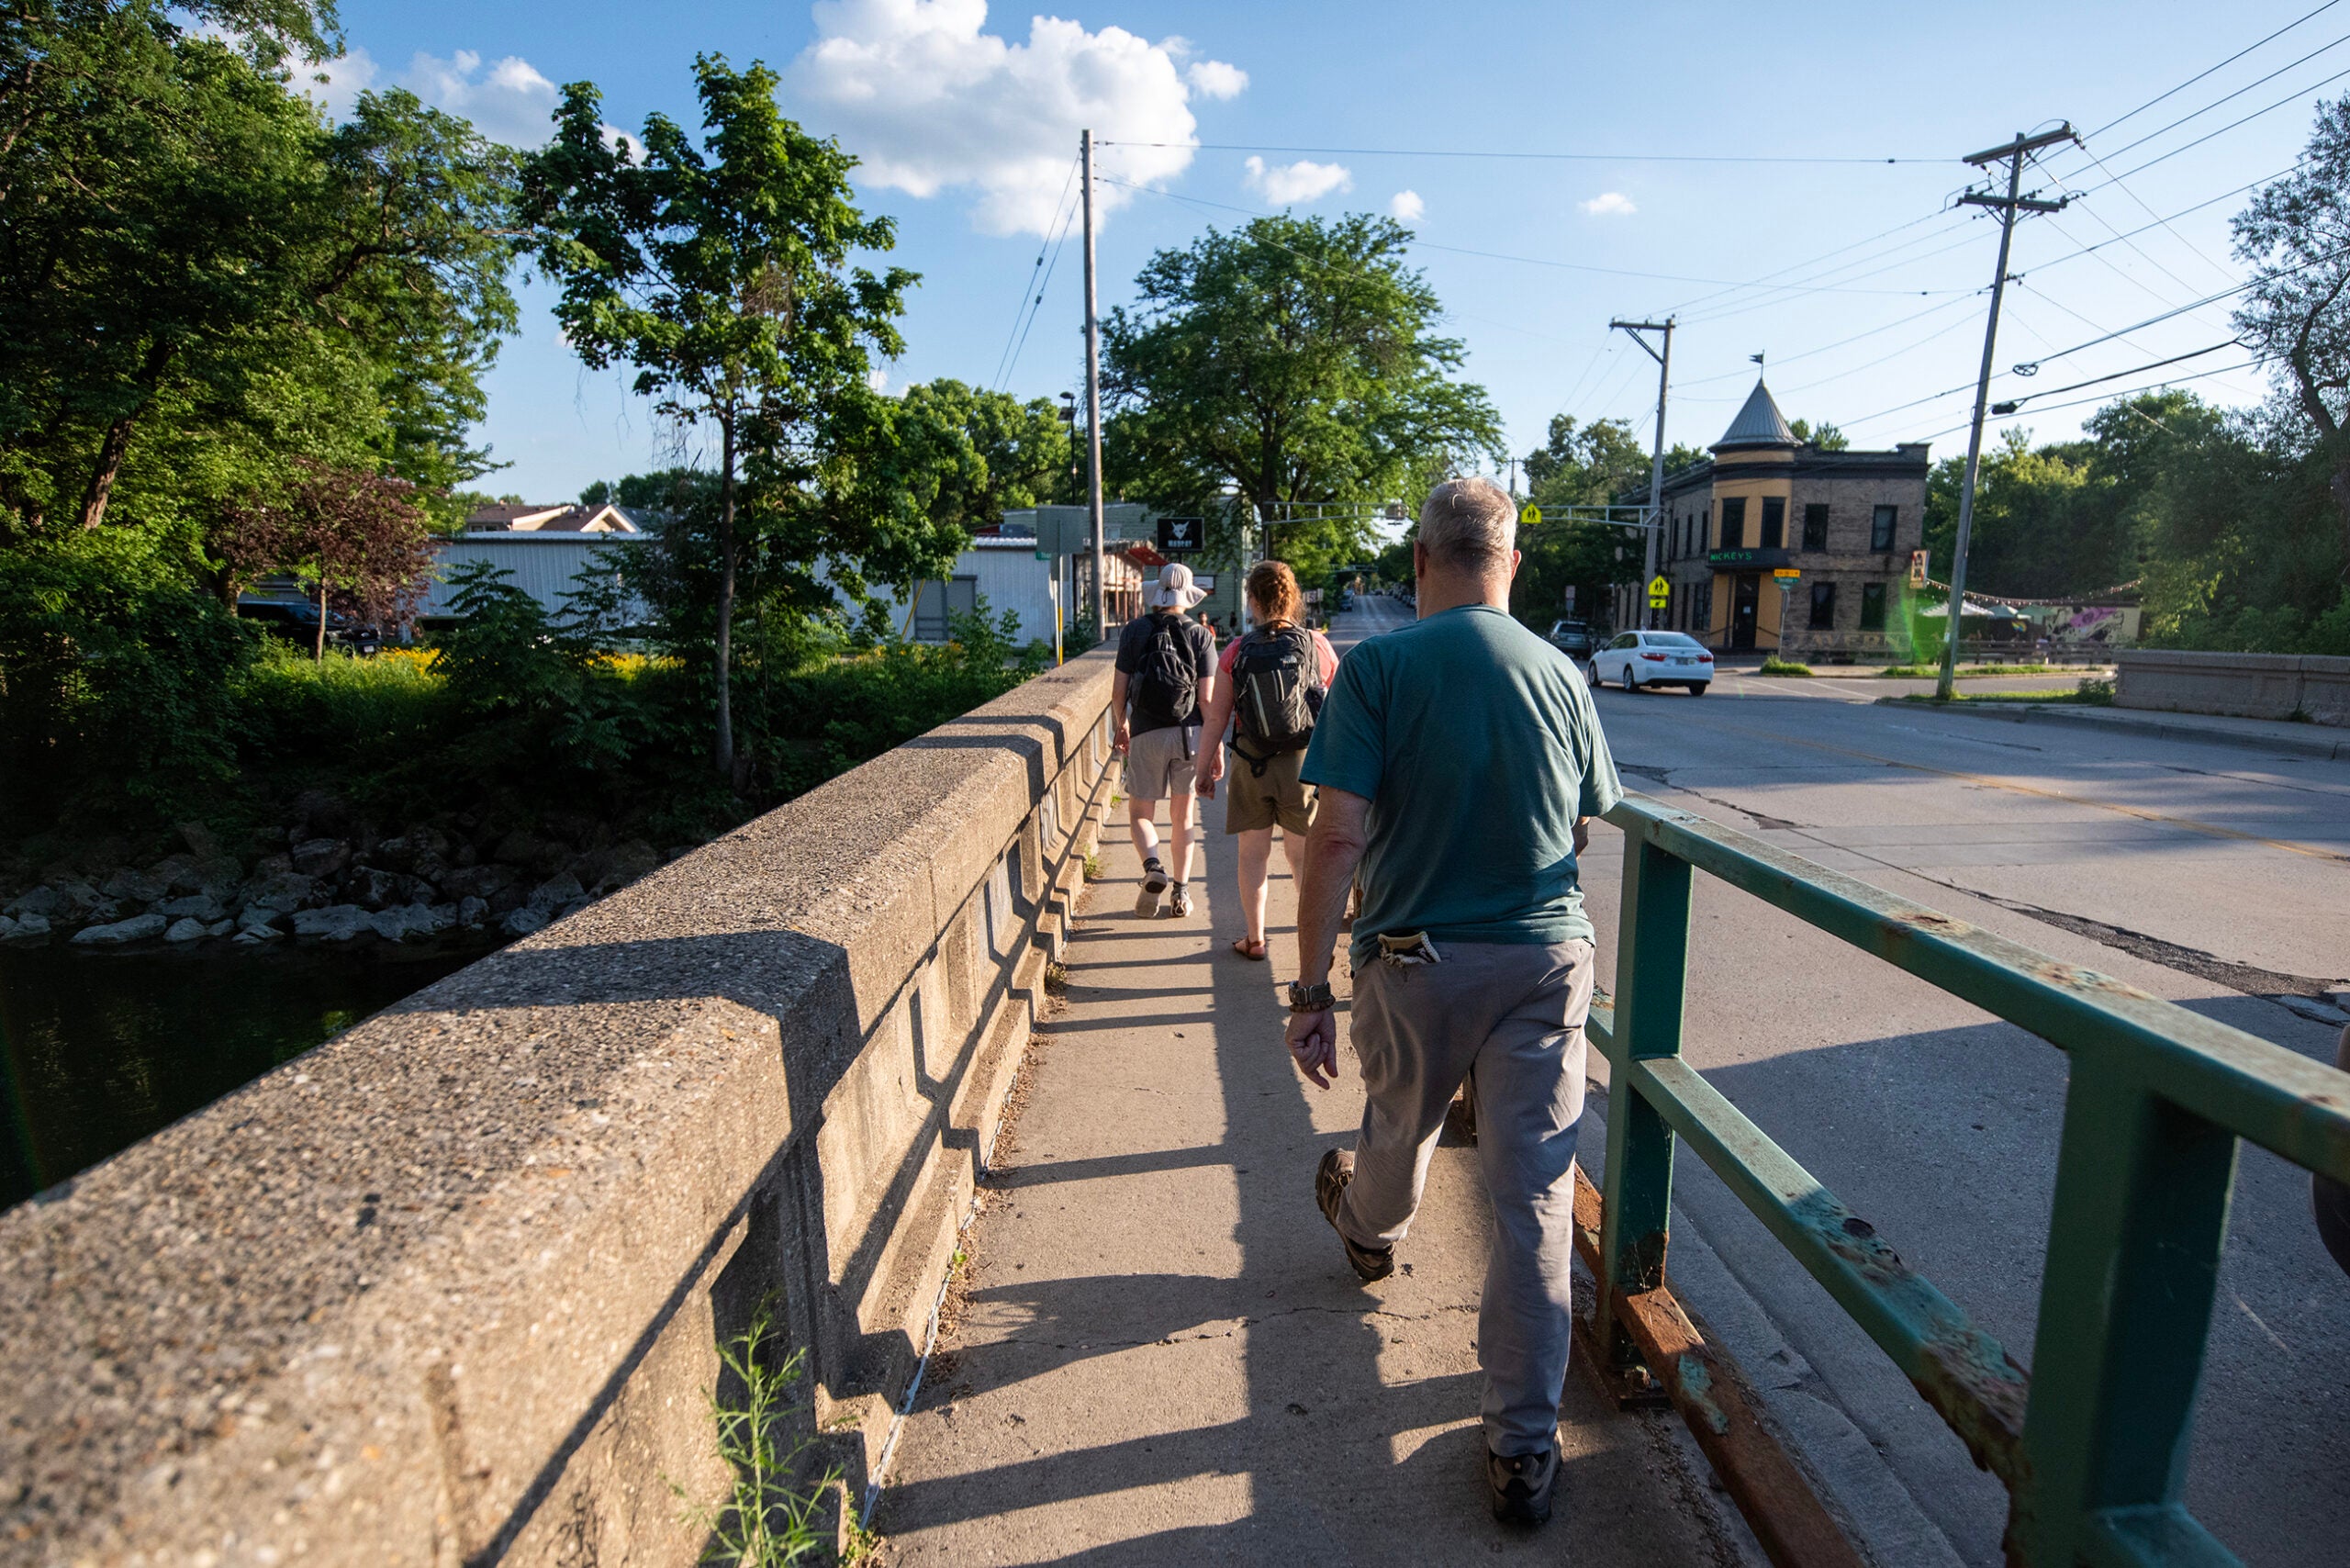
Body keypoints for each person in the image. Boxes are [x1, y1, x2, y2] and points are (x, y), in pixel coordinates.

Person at [1283, 477, 1621, 1528]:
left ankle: (1368, 1226)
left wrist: (1306, 991)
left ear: (1420, 561)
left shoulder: (1379, 666)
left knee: (1403, 1123)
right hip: (1546, 958)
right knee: (1534, 1196)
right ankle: (1522, 1448)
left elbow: (1336, 837)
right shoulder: (1562, 672)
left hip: (1415, 955)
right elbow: (1576, 826)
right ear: (1510, 562)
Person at [1194, 560, 1339, 959]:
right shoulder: (1317, 646)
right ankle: (1315, 943)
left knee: (1252, 854)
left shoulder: (1237, 650)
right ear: (1292, 598)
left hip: (1250, 763)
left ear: (1253, 600)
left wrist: (1203, 769)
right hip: (1303, 765)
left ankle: (1255, 939)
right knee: (1301, 859)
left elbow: (1216, 718)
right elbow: (1338, 713)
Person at [1112, 562, 1217, 917]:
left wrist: (1122, 725)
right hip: (1190, 734)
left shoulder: (1134, 631)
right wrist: (1213, 745)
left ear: (1157, 593)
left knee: (1141, 813)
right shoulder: (1201, 635)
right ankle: (1182, 893)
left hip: (1145, 731)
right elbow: (1207, 700)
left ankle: (1153, 867)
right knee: (1183, 818)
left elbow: (1118, 692)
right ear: (1188, 596)